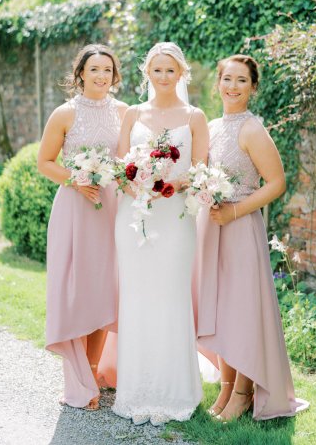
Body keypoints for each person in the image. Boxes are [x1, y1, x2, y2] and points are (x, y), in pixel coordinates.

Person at [195, 54, 309, 421]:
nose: (232, 86)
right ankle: (226, 388)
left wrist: (233, 211)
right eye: (226, 79)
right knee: (221, 308)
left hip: (240, 227)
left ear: (253, 87)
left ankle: (244, 393)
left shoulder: (253, 129)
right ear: (218, 84)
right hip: (212, 228)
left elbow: (276, 183)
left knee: (242, 310)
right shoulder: (211, 126)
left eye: (241, 80)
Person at [112, 42, 209, 426]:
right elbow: (121, 168)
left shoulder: (195, 116)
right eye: (157, 70)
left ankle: (175, 391)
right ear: (146, 73)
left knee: (170, 294)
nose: (164, 76)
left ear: (181, 73)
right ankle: (136, 389)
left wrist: (170, 181)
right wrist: (138, 183)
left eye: (170, 70)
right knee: (136, 296)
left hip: (175, 218)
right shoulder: (132, 114)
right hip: (133, 218)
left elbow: (201, 168)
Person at [38, 44, 128, 410]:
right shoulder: (64, 113)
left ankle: (93, 370)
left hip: (111, 210)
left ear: (114, 75)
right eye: (94, 69)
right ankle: (77, 379)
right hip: (75, 209)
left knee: (105, 291)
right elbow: (44, 161)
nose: (101, 76)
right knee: (77, 291)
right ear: (80, 74)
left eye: (107, 69)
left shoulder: (124, 113)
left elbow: (128, 162)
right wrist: (75, 179)